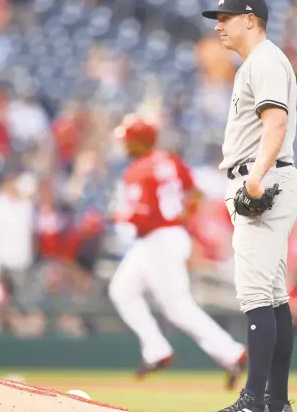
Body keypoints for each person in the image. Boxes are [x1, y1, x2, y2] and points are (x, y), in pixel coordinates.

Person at [202, 0, 297, 412]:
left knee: (256, 298)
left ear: (250, 19)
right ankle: (275, 402)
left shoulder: (263, 60)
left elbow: (275, 121)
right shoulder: (260, 62)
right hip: (269, 176)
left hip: (263, 178)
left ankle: (253, 403)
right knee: (274, 298)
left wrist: (257, 179)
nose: (218, 25)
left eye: (226, 17)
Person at [108, 113, 247, 390]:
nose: (124, 145)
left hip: (158, 239)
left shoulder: (138, 170)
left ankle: (232, 352)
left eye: (128, 140)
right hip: (165, 237)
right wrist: (182, 218)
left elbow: (143, 216)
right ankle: (156, 349)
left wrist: (118, 216)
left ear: (138, 141)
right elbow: (195, 194)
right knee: (122, 290)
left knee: (177, 307)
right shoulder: (168, 160)